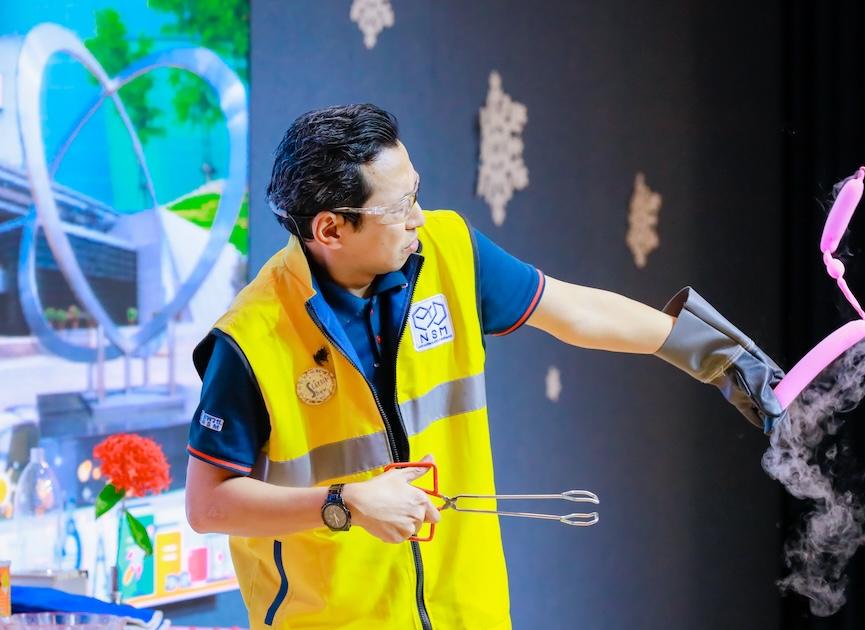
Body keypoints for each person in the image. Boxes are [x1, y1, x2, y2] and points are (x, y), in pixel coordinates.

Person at [184, 103, 787, 629]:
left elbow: (573, 311)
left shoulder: (449, 250)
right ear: (330, 229)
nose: (419, 218)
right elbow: (208, 506)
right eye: (400, 206)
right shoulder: (250, 339)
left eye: (416, 192)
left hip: (468, 613)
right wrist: (343, 503)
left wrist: (719, 357)